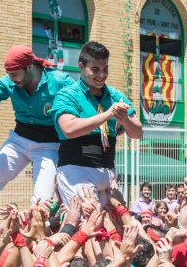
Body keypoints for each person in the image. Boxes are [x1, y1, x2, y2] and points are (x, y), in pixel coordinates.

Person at [0, 44, 75, 222]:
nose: (12, 79)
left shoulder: (59, 81)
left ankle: (35, 240)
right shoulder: (9, 81)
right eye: (9, 74)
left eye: (15, 74)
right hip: (18, 141)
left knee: (41, 201)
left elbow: (82, 98)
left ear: (29, 67)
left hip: (49, 146)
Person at [49, 41, 142, 207]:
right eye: (95, 69)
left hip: (108, 172)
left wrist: (125, 120)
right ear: (81, 66)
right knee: (87, 225)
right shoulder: (67, 94)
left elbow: (137, 133)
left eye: (105, 69)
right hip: (76, 171)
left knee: (114, 227)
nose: (102, 75)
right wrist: (108, 114)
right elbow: (69, 129)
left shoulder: (115, 95)